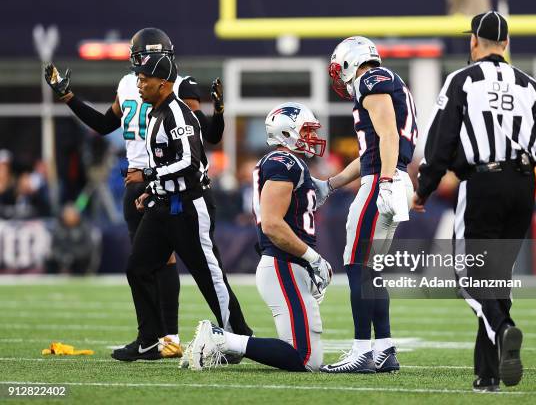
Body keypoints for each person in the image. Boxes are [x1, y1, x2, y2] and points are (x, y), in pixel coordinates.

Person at [412, 11, 536, 392]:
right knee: (496, 280)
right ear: (506, 44)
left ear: (473, 41)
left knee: (470, 278)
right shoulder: (530, 86)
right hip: (522, 188)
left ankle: (503, 331)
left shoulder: (462, 80)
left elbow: (441, 140)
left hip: (482, 183)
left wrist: (425, 188)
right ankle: (487, 376)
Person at [44, 27, 227, 358]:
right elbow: (104, 125)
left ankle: (168, 336)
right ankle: (155, 338)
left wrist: (219, 112)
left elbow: (204, 135)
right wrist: (68, 97)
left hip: (166, 181)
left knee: (175, 262)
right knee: (146, 264)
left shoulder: (175, 85)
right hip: (137, 183)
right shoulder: (138, 84)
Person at [97, 53, 250, 361]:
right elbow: (165, 161)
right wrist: (151, 190)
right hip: (162, 204)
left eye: (145, 79)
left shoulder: (178, 113)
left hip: (190, 207)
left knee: (210, 276)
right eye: (138, 78)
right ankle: (150, 340)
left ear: (163, 83)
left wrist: (148, 176)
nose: (139, 84)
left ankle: (240, 338)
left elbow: (190, 163)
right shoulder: (154, 113)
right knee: (138, 268)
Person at [186, 102, 332, 372]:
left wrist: (375, 159)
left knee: (308, 356)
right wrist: (313, 258)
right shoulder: (283, 163)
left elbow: (326, 188)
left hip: (289, 265)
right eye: (307, 131)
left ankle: (226, 340)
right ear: (286, 133)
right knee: (305, 359)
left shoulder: (289, 163)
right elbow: (273, 225)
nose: (312, 138)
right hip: (283, 264)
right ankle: (222, 339)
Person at [316, 36, 417, 373]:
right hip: (386, 176)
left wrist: (386, 181)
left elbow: (388, 135)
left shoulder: (371, 80)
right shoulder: (384, 82)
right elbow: (369, 153)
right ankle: (384, 348)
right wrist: (331, 184)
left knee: (358, 265)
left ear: (348, 62)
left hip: (382, 182)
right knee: (371, 269)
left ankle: (362, 349)